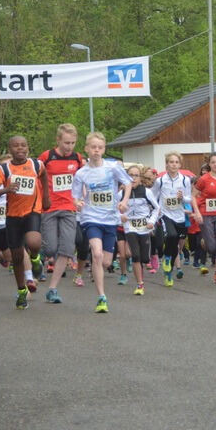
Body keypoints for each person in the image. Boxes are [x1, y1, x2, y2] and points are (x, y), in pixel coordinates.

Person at [0, 136, 49, 310]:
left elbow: (44, 176)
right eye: (16, 146)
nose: (20, 148)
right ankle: (21, 290)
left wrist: (45, 197)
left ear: (28, 148)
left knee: (33, 241)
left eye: (23, 145)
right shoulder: (4, 169)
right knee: (17, 257)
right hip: (13, 216)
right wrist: (6, 189)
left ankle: (36, 258)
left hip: (32, 211)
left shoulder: (36, 164)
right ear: (10, 149)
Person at [73, 132, 132, 312]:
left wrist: (124, 202)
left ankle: (98, 269)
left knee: (106, 262)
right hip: (91, 218)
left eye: (100, 147)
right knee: (97, 254)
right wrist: (78, 203)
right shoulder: (81, 173)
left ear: (104, 149)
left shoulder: (112, 167)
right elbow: (75, 196)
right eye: (93, 147)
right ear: (86, 149)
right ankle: (101, 297)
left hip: (110, 219)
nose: (96, 150)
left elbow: (128, 183)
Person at [38, 123, 83, 304]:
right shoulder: (47, 157)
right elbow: (34, 177)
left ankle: (53, 289)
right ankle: (38, 254)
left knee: (66, 249)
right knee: (50, 249)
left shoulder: (78, 158)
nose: (69, 147)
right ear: (58, 140)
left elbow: (81, 181)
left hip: (69, 208)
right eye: (66, 143)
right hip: (49, 208)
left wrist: (79, 198)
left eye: (72, 143)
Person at [150, 152, 193, 287]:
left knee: (175, 247)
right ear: (167, 164)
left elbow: (189, 199)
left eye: (176, 162)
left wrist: (182, 198)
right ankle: (167, 259)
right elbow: (152, 196)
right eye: (171, 162)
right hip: (165, 215)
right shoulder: (160, 181)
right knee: (171, 235)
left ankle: (168, 273)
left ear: (179, 164)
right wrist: (154, 213)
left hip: (180, 216)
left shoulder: (185, 180)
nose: (174, 164)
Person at [120, 165, 160, 295]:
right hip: (130, 227)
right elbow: (112, 209)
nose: (133, 178)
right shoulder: (121, 193)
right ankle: (139, 284)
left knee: (144, 258)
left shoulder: (146, 192)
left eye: (136, 175)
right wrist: (121, 216)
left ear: (140, 178)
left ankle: (145, 265)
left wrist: (151, 222)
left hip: (144, 228)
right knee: (135, 255)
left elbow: (157, 208)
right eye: (130, 175)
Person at [193, 152, 216, 284]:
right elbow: (194, 196)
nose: (215, 164)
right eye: (213, 162)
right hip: (205, 214)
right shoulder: (204, 179)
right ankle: (205, 242)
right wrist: (197, 212)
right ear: (209, 164)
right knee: (212, 247)